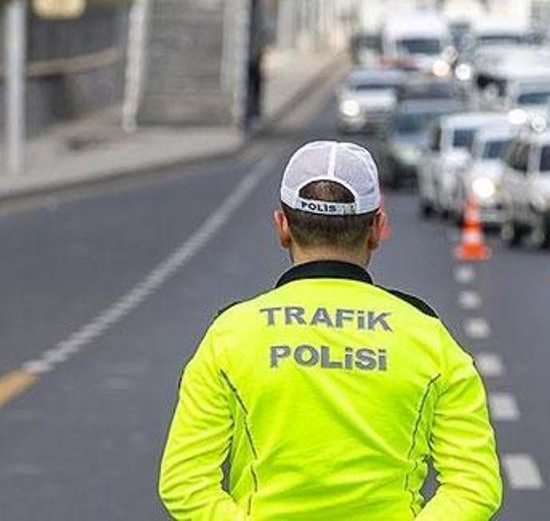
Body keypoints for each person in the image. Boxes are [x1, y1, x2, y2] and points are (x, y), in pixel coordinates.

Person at [159, 141, 502, 520]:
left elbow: (184, 482)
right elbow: (475, 484)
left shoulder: (231, 335)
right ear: (377, 228)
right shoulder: (428, 336)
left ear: (282, 227)